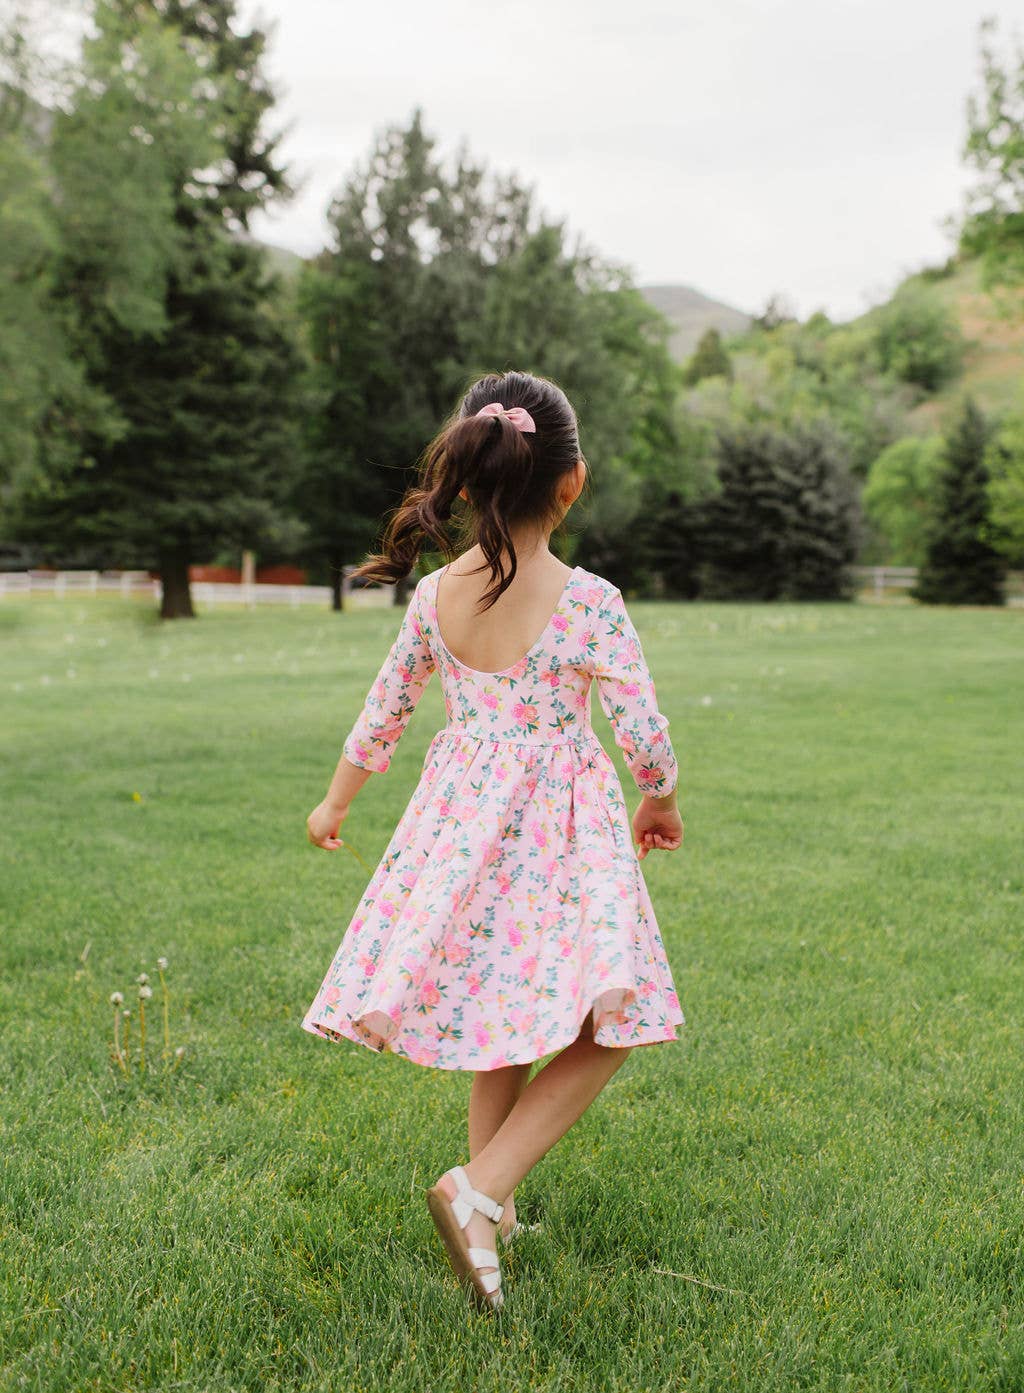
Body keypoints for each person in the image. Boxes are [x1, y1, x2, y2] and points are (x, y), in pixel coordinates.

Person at [302, 370, 685, 1313]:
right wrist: (660, 801)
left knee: (501, 1017)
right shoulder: (588, 598)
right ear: (573, 482)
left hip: (463, 830)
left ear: (470, 483)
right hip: (558, 833)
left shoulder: (434, 596)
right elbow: (642, 731)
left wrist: (334, 803)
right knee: (614, 1021)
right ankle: (477, 1188)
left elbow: (383, 712)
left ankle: (496, 1206)